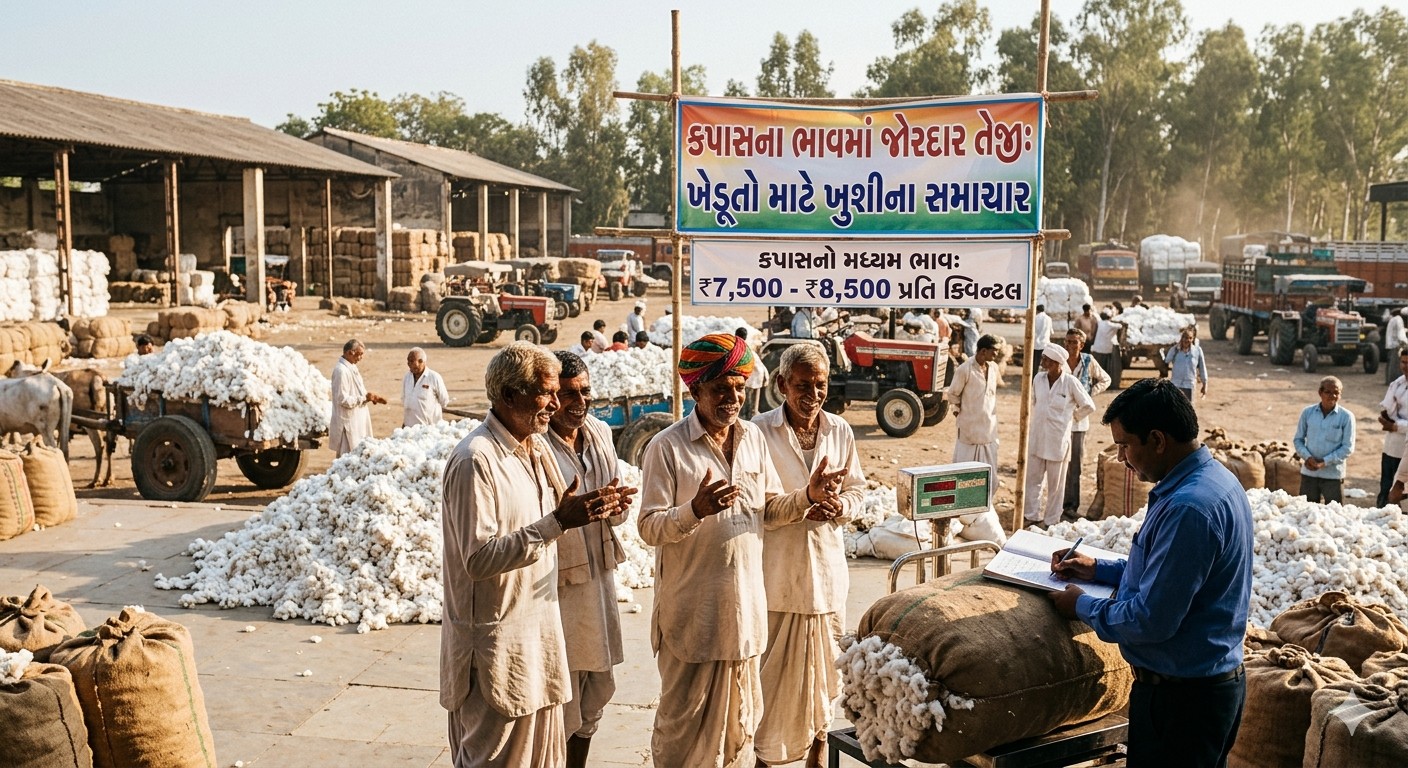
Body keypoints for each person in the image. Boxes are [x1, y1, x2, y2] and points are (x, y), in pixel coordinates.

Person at [638, 333, 847, 768]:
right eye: (720, 389)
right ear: (695, 391)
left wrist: (807, 496)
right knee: (681, 738)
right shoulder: (667, 447)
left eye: (738, 388)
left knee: (738, 732)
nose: (732, 398)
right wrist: (693, 511)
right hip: (692, 618)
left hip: (746, 618)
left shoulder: (752, 437)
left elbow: (768, 510)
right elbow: (649, 528)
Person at [440, 342, 633, 768]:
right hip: (497, 650)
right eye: (546, 392)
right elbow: (477, 559)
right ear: (509, 396)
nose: (554, 403)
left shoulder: (536, 449)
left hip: (540, 642)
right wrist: (558, 523)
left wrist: (596, 508)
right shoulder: (476, 460)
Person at [1048, 378, 1253, 768]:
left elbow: (1152, 619)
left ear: (1157, 440)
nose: (1122, 457)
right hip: (1202, 692)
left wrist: (1082, 606)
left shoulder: (1189, 508)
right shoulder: (1212, 482)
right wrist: (1099, 569)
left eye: (1125, 445)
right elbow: (1169, 575)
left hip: (1182, 704)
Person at [752, 343, 865, 768]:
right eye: (802, 385)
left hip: (827, 578)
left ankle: (817, 758)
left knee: (824, 684)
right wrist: (804, 499)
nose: (812, 394)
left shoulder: (840, 430)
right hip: (777, 581)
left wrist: (841, 508)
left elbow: (857, 490)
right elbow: (758, 509)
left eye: (820, 385)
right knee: (771, 686)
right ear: (781, 384)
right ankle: (765, 761)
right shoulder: (757, 433)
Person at [545, 352, 638, 768]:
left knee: (596, 685)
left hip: (598, 576)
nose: (578, 402)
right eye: (567, 394)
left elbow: (615, 507)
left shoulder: (600, 431)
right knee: (559, 690)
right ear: (549, 398)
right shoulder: (536, 442)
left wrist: (616, 505)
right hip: (557, 585)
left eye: (584, 392)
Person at [944, 334, 1008, 544]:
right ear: (983, 351)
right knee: (965, 474)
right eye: (994, 351)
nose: (996, 355)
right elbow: (953, 394)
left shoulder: (993, 369)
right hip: (969, 432)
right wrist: (959, 410)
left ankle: (982, 514)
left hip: (988, 431)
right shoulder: (965, 369)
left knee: (990, 477)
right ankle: (964, 514)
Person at [1024, 345, 1095, 528]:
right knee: (1033, 480)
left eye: (1046, 359)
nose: (1042, 362)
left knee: (1056, 485)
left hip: (1058, 440)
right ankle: (1031, 515)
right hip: (1037, 437)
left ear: (1057, 363)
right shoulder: (1038, 379)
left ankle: (1051, 520)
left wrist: (1073, 418)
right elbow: (1035, 403)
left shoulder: (1070, 382)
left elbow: (1088, 405)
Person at [1061, 329, 1111, 520]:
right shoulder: (1060, 361)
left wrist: (1089, 394)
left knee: (1075, 466)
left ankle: (1071, 505)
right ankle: (1060, 503)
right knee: (1059, 463)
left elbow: (1105, 379)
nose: (1070, 346)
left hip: (1079, 422)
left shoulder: (1088, 361)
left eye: (1074, 342)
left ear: (1081, 345)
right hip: (1061, 421)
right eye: (1067, 342)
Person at [1293, 376, 1355, 503]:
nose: (1332, 396)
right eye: (1328, 392)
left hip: (1332, 475)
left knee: (1334, 515)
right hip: (1309, 474)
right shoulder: (1307, 413)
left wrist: (1324, 462)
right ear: (1320, 393)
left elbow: (1348, 447)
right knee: (1307, 513)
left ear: (1340, 395)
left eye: (1336, 393)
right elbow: (1298, 440)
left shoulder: (1346, 417)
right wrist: (1308, 457)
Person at [330, 339, 386, 457]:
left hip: (357, 422)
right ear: (350, 352)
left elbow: (359, 391)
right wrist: (363, 399)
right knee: (346, 458)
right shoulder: (341, 371)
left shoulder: (352, 367)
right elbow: (342, 399)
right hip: (348, 423)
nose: (361, 358)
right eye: (359, 354)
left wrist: (370, 397)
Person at [1378, 348, 1408, 506]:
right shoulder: (1397, 384)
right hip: (1392, 445)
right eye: (1403, 362)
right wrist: (1386, 419)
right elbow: (1387, 407)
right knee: (1386, 489)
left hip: (1406, 445)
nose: (1405, 366)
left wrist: (1396, 426)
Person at [401, 347, 449, 427]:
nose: (408, 363)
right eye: (408, 360)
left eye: (411, 361)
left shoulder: (434, 377)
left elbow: (444, 401)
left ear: (421, 361)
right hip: (409, 429)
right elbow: (404, 400)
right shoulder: (407, 377)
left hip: (428, 429)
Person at [1162, 329, 1208, 401]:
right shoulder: (1175, 350)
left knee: (1188, 408)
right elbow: (1167, 360)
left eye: (1190, 338)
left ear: (1192, 339)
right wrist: (1174, 348)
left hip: (1189, 385)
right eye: (1185, 338)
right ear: (1182, 338)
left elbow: (1202, 368)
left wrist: (1205, 384)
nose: (1187, 340)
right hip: (1176, 384)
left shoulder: (1197, 351)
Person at [736, 327, 768, 421]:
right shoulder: (747, 347)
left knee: (747, 406)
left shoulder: (740, 348)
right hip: (757, 376)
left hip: (752, 378)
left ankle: (748, 425)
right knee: (751, 406)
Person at [1091, 310, 1123, 380]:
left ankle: (1097, 380)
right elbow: (1120, 326)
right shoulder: (1111, 325)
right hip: (1106, 349)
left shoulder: (1100, 323)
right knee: (1106, 367)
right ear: (1109, 317)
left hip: (1097, 348)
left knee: (1098, 366)